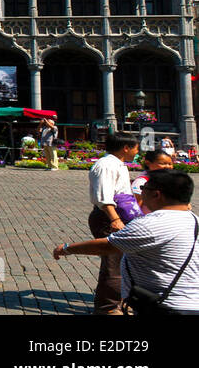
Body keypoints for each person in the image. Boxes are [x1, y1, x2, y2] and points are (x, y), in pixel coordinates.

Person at [54, 170, 199, 314]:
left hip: (166, 306)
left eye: (143, 188)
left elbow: (106, 246)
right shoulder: (194, 220)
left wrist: (67, 248)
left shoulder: (151, 224)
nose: (140, 193)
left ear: (156, 194)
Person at [86, 133, 139, 314]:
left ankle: (120, 301)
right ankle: (108, 307)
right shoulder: (107, 165)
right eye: (136, 147)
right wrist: (115, 220)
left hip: (118, 217)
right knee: (113, 263)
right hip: (108, 218)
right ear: (126, 147)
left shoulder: (118, 164)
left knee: (122, 262)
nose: (137, 151)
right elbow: (104, 197)